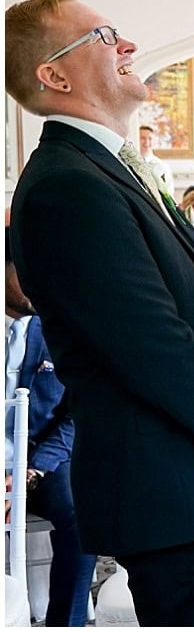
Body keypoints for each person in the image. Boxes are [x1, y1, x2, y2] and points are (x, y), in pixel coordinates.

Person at [5, 0, 194, 625]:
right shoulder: (66, 187)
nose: (128, 44)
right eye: (104, 36)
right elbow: (159, 350)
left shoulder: (106, 167)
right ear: (54, 75)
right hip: (175, 500)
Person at [4, 233, 96, 626]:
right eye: (27, 271)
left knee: (82, 514)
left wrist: (33, 469)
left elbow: (76, 412)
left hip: (38, 459)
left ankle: (65, 625)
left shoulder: (58, 330)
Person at [137, 124, 175, 197]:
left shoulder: (163, 167)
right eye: (142, 138)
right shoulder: (129, 163)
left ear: (154, 141)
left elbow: (169, 194)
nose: (146, 142)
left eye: (150, 138)